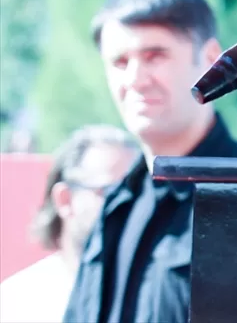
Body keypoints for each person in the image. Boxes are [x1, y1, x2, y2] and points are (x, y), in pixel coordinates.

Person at [62, 0, 237, 323]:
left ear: (210, 58)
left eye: (155, 56)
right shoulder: (117, 205)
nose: (135, 79)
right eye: (120, 62)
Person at [0, 125, 137, 323]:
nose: (128, 204)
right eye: (111, 192)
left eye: (139, 193)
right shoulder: (18, 303)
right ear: (65, 200)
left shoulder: (159, 292)